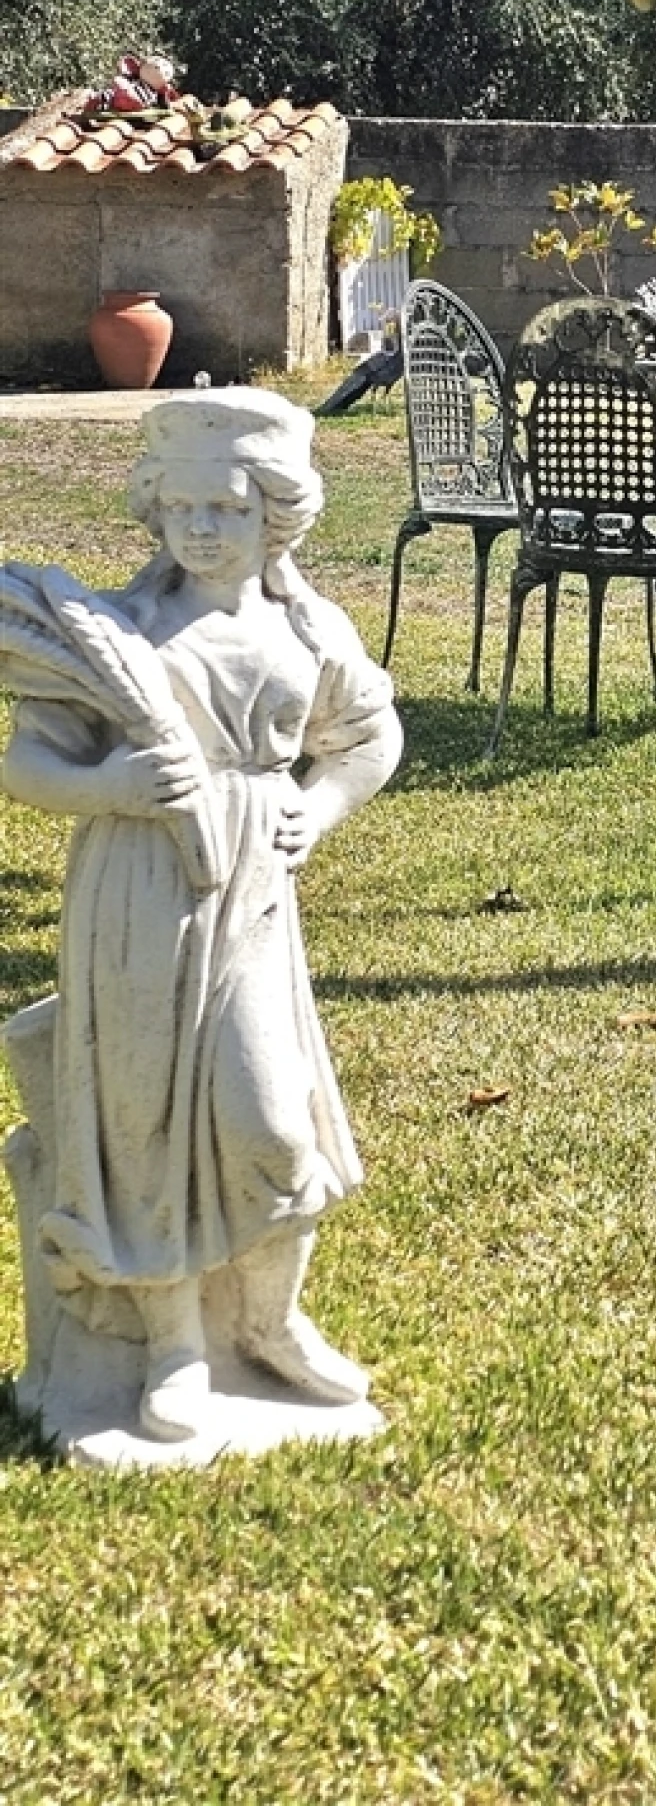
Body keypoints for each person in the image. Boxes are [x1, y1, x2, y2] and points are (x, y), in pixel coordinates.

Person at [0, 390, 402, 1443]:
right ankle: (175, 1347)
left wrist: (314, 807)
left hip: (252, 893)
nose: (200, 527)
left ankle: (268, 1322)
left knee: (272, 1123)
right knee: (138, 1128)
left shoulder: (306, 627)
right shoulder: (114, 634)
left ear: (272, 514)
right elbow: (29, 762)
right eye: (179, 506)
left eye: (224, 506)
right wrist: (118, 789)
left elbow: (367, 736)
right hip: (134, 896)